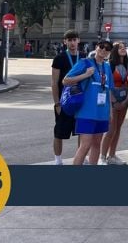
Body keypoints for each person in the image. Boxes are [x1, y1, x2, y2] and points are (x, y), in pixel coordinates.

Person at [62, 40, 115, 165]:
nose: (104, 50)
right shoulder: (85, 63)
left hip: (102, 112)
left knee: (97, 144)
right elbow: (66, 80)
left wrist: (110, 112)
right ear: (96, 47)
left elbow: (108, 91)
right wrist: (85, 75)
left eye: (107, 49)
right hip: (86, 112)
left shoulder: (107, 67)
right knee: (85, 145)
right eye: (101, 46)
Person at [50, 30, 81, 165]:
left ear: (78, 41)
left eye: (74, 40)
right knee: (59, 132)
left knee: (82, 131)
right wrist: (57, 103)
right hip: (64, 102)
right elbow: (54, 82)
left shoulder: (84, 57)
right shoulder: (60, 58)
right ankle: (58, 159)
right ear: (65, 42)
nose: (72, 43)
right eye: (69, 40)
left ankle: (81, 156)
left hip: (80, 101)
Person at [99, 41, 128, 165]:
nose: (123, 49)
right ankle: (102, 157)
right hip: (112, 100)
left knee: (118, 129)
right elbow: (106, 86)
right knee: (110, 129)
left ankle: (112, 155)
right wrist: (114, 101)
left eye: (124, 47)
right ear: (115, 50)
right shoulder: (109, 65)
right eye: (120, 47)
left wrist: (126, 101)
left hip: (124, 100)